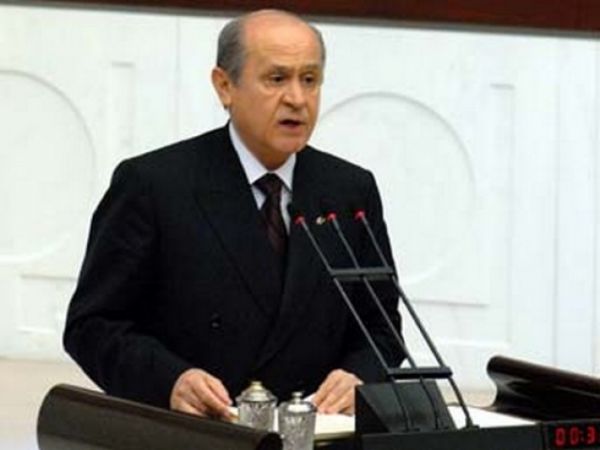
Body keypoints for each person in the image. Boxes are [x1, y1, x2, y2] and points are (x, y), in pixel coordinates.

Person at [63, 9, 403, 420]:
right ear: (225, 86)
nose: (297, 98)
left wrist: (360, 376)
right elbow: (92, 326)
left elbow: (382, 329)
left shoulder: (348, 190)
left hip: (316, 431)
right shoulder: (154, 185)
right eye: (276, 79)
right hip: (201, 431)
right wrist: (170, 381)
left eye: (310, 80)